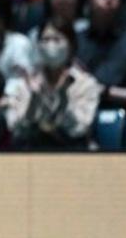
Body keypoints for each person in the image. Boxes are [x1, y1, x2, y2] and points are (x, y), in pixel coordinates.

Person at [5, 19, 102, 149]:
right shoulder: (25, 83)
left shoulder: (86, 84)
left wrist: (63, 101)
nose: (51, 45)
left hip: (71, 152)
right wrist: (34, 102)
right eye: (45, 39)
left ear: (71, 45)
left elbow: (79, 129)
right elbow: (16, 128)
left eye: (57, 39)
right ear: (38, 46)